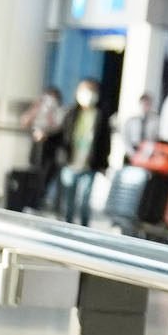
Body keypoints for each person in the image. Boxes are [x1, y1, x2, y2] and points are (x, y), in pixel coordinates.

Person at [55, 76, 111, 224]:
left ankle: (84, 228)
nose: (89, 94)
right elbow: (61, 136)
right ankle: (67, 227)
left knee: (85, 200)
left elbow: (105, 142)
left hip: (89, 165)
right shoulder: (71, 113)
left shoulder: (101, 115)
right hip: (70, 162)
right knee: (69, 201)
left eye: (92, 90)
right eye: (86, 90)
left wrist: (103, 165)